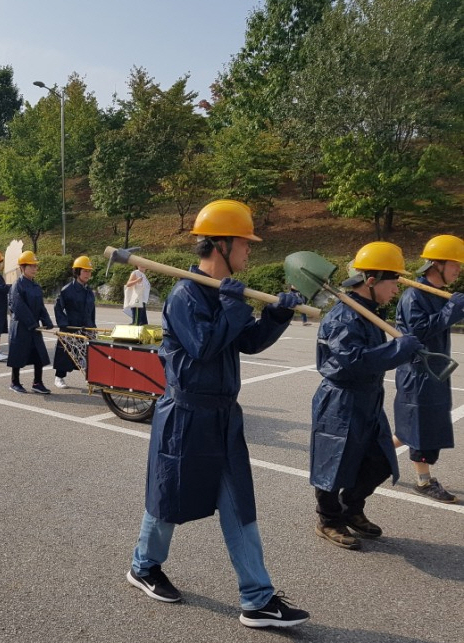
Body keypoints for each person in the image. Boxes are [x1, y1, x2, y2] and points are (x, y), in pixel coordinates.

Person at [127, 199, 310, 629]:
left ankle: (257, 597)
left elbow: (246, 342)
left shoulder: (227, 292)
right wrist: (230, 307)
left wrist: (276, 316)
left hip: (225, 417)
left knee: (238, 503)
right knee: (168, 497)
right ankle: (143, 565)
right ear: (222, 244)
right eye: (245, 243)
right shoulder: (185, 294)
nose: (249, 251)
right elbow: (204, 349)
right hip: (187, 416)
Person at [310, 242, 424, 550]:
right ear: (371, 281)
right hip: (341, 399)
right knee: (332, 463)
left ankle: (352, 508)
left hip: (368, 398)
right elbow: (354, 361)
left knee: (380, 459)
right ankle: (329, 519)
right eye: (392, 281)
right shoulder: (344, 317)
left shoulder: (368, 312)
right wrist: (399, 348)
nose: (396, 289)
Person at [393, 235, 464, 504]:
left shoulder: (437, 295)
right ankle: (423, 481)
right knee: (420, 425)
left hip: (435, 370)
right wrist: (451, 310)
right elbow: (418, 332)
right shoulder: (414, 295)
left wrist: (451, 309)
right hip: (417, 372)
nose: (458, 269)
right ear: (437, 264)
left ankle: (372, 453)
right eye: (454, 264)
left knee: (415, 426)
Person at [7, 251, 54, 394]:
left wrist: (47, 320)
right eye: (31, 266)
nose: (34, 269)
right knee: (18, 354)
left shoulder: (35, 286)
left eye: (35, 266)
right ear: (22, 267)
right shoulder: (17, 285)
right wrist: (32, 323)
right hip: (21, 326)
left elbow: (40, 306)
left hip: (33, 327)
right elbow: (18, 306)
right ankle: (14, 382)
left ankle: (37, 382)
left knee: (38, 354)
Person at [53, 255, 96, 388]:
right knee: (65, 353)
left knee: (88, 355)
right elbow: (58, 307)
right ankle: (59, 377)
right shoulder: (67, 290)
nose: (87, 274)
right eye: (85, 271)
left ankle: (91, 381)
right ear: (77, 272)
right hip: (70, 327)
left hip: (86, 328)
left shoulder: (89, 291)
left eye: (89, 271)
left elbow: (92, 311)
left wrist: (92, 326)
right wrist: (63, 324)